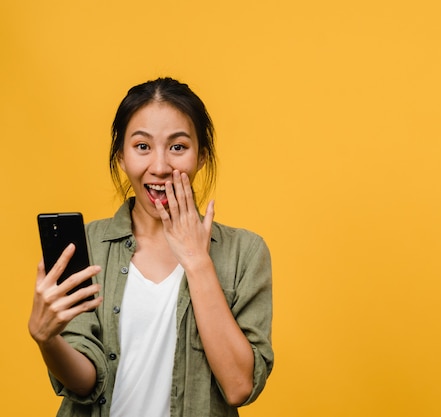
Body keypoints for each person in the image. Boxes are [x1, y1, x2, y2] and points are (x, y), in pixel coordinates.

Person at [28, 77, 273, 417]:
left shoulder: (244, 253)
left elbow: (238, 386)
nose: (159, 167)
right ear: (121, 157)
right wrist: (47, 340)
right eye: (142, 146)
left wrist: (197, 261)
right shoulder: (86, 247)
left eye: (177, 147)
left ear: (201, 156)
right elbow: (84, 383)